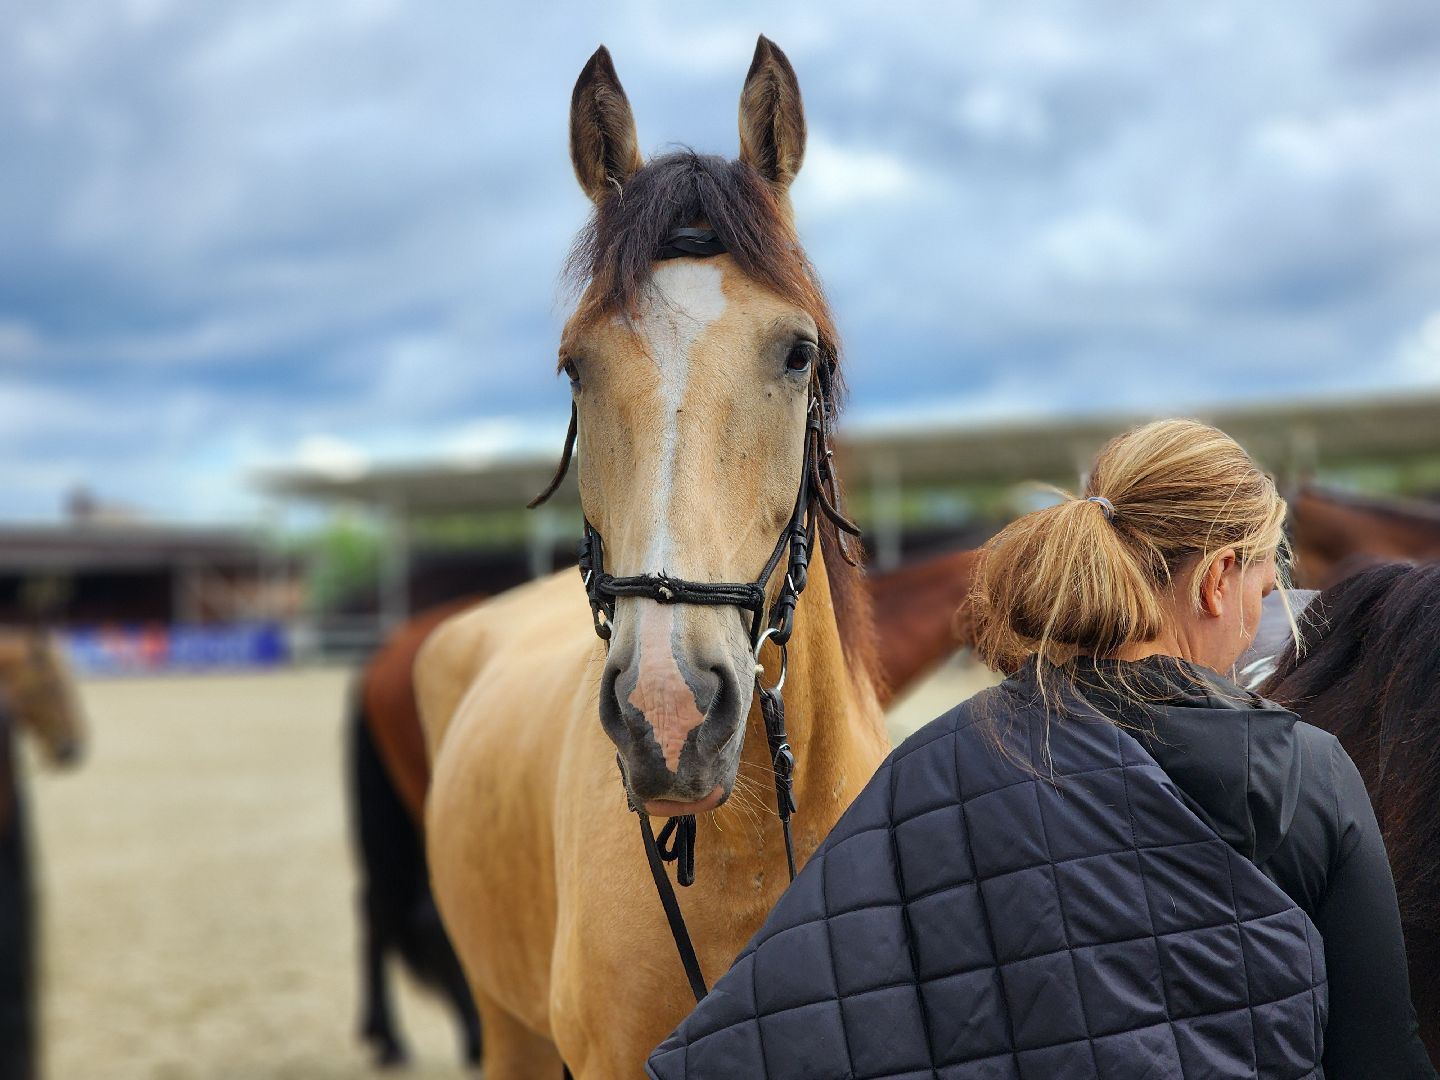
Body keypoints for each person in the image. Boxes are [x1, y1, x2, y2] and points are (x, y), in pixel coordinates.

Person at [647, 419, 1435, 1080]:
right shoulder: (1304, 771)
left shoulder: (934, 761)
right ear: (1217, 578)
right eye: (1263, 591)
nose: (1256, 624)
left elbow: (781, 1028)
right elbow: (1379, 1054)